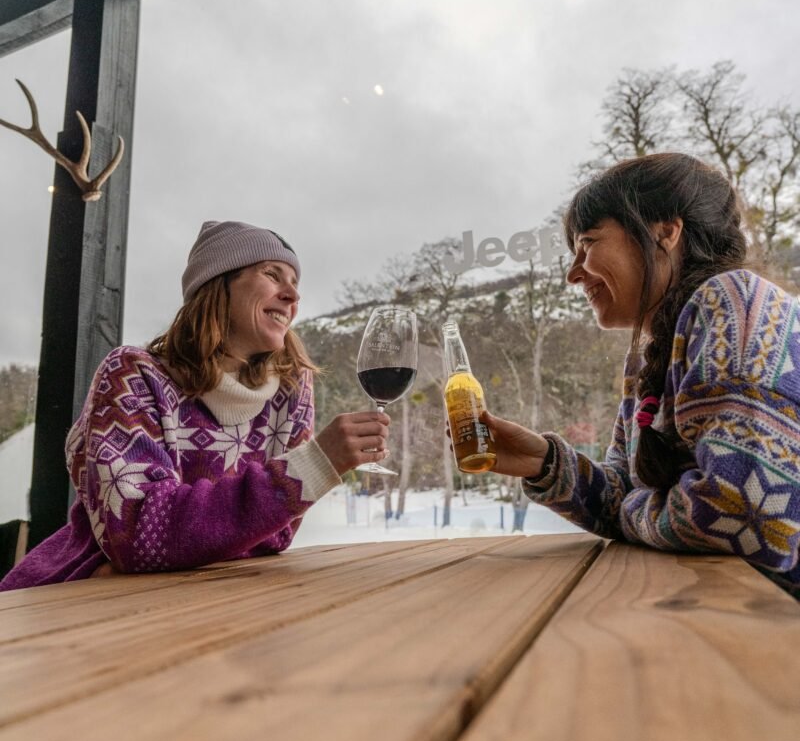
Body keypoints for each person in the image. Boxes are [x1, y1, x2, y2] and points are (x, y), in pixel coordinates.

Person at [1, 221, 389, 590]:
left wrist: (196, 535)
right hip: (75, 597)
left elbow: (274, 536)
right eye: (272, 275)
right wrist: (311, 468)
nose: (292, 295)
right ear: (217, 284)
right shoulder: (134, 375)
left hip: (211, 596)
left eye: (295, 283)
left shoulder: (290, 389)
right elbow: (138, 537)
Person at [482, 153, 800, 591]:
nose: (573, 274)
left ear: (665, 232)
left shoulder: (736, 305)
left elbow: (743, 510)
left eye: (588, 243)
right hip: (716, 604)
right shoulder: (650, 356)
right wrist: (545, 463)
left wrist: (631, 509)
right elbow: (628, 490)